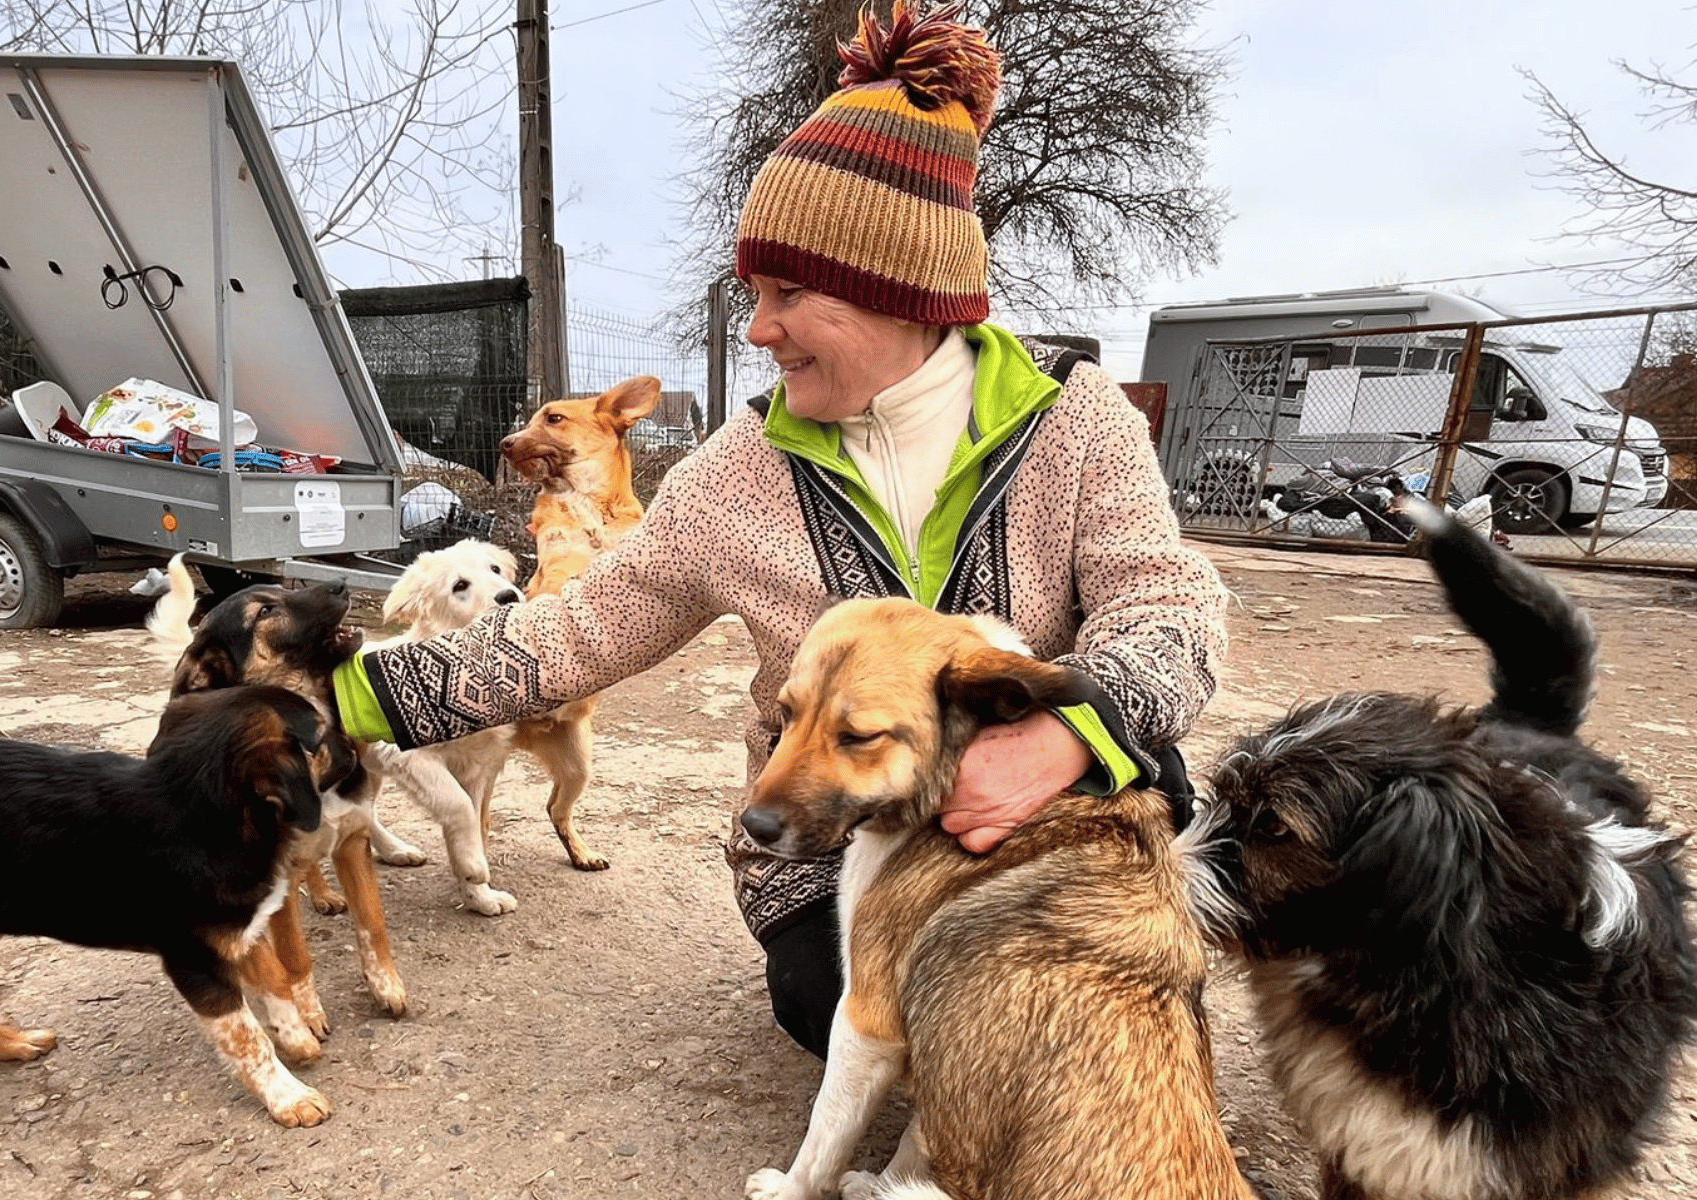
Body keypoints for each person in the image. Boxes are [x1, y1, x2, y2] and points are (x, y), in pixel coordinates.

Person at [333, 0, 1227, 1058]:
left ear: (897, 290)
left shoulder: (1075, 421)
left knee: (1093, 1008)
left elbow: (1172, 611)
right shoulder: (739, 471)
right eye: (754, 292)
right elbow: (576, 634)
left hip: (1048, 811)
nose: (759, 328)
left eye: (789, 291)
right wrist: (350, 687)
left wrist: (1067, 731)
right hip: (828, 832)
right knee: (839, 1007)